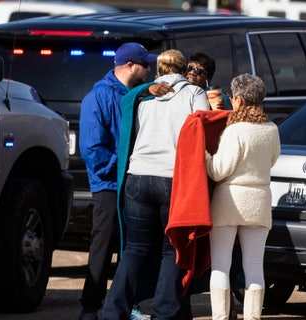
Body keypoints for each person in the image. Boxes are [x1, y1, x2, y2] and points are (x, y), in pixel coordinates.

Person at [102, 49, 210, 319]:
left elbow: (130, 120)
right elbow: (204, 134)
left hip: (137, 178)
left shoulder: (143, 96)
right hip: (172, 180)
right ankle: (164, 313)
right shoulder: (194, 94)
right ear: (184, 69)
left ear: (159, 69)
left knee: (134, 250)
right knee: (172, 250)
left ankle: (113, 311)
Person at [78, 42, 171, 320]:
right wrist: (122, 164)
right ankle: (90, 308)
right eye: (145, 65)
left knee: (132, 247)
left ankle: (128, 305)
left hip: (131, 182)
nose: (150, 70)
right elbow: (92, 149)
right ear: (130, 66)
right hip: (108, 185)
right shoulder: (99, 97)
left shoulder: (137, 94)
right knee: (103, 246)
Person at [205, 74, 280, 320]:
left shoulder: (234, 130)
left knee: (220, 265)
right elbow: (272, 161)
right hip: (259, 202)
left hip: (228, 202)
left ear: (237, 100)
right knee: (254, 267)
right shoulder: (272, 130)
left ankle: (220, 317)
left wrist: (205, 155)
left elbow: (218, 170)